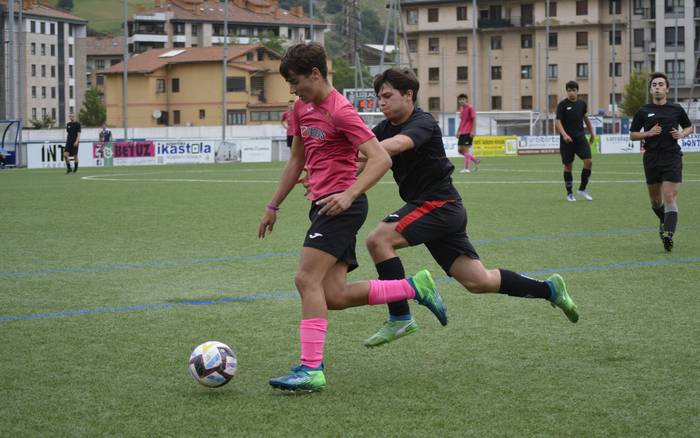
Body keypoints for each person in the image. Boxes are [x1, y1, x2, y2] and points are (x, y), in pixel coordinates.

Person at [257, 43, 447, 393]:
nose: (293, 89)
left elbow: (380, 159)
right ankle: (412, 287)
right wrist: (273, 206)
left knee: (305, 280)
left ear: (316, 73)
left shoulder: (341, 111)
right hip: (322, 205)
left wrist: (348, 194)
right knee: (334, 295)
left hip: (342, 207)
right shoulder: (301, 108)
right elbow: (296, 160)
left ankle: (311, 369)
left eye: (297, 81)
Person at [362, 68, 579, 348]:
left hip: (439, 205)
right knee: (478, 281)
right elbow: (362, 154)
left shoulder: (422, 121)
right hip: (439, 210)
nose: (382, 102)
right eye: (379, 97)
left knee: (378, 240)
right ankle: (549, 289)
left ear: (408, 95)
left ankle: (400, 317)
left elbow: (396, 145)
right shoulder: (383, 128)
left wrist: (367, 150)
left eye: (388, 96)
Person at [630, 72, 692, 252]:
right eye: (654, 85)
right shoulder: (643, 111)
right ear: (651, 90)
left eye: (660, 84)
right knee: (656, 202)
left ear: (667, 89)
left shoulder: (676, 109)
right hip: (651, 158)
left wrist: (682, 134)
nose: (657, 87)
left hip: (672, 157)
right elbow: (633, 134)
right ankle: (664, 220)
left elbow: (689, 127)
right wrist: (647, 133)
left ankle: (668, 235)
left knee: (670, 196)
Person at [555, 81, 595, 202]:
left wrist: (592, 132)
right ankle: (569, 193)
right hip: (567, 141)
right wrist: (564, 135)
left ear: (577, 91)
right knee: (568, 166)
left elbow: (585, 118)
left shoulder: (582, 104)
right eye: (569, 90)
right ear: (566, 91)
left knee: (588, 161)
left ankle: (582, 189)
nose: (571, 93)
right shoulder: (562, 105)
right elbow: (558, 122)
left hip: (580, 138)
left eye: (573, 90)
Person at [456, 93, 479, 173]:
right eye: (460, 100)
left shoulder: (470, 108)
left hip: (468, 132)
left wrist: (473, 131)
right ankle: (475, 160)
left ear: (466, 100)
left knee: (465, 150)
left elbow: (474, 120)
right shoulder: (461, 109)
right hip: (462, 132)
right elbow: (462, 121)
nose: (461, 101)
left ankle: (467, 169)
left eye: (463, 99)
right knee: (460, 150)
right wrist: (458, 131)